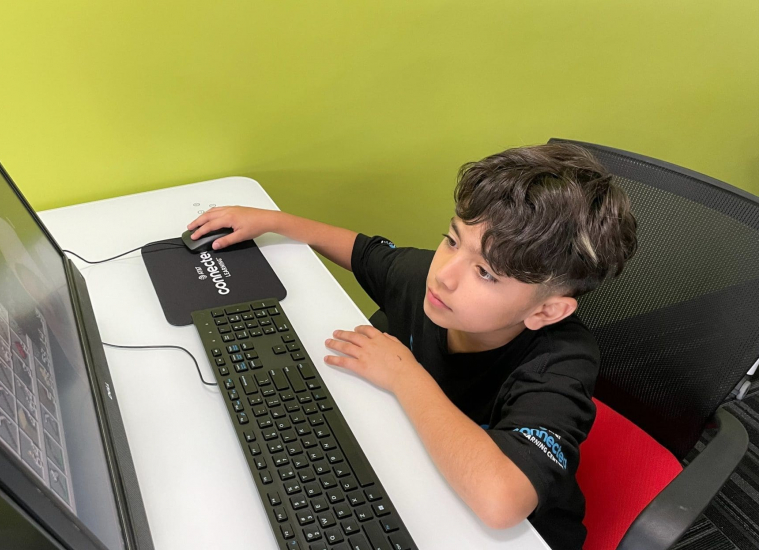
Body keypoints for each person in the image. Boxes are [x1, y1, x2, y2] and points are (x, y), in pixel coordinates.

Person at [186, 143, 638, 549]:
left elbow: (502, 503)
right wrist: (273, 222)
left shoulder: (562, 360)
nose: (445, 272)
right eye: (452, 239)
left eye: (486, 274)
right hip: (414, 478)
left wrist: (404, 374)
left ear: (546, 312)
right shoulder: (434, 284)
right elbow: (366, 254)